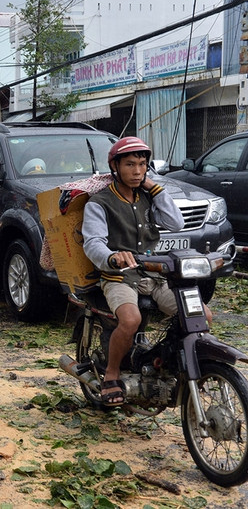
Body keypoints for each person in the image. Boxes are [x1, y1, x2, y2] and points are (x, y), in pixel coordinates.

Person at [82, 136, 212, 406]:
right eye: (130, 164)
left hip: (155, 275)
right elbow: (93, 242)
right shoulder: (100, 202)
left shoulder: (147, 196)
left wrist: (155, 189)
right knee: (130, 320)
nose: (138, 171)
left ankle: (161, 359)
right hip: (120, 277)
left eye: (142, 165)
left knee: (202, 315)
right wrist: (112, 257)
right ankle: (112, 373)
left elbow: (176, 223)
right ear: (115, 167)